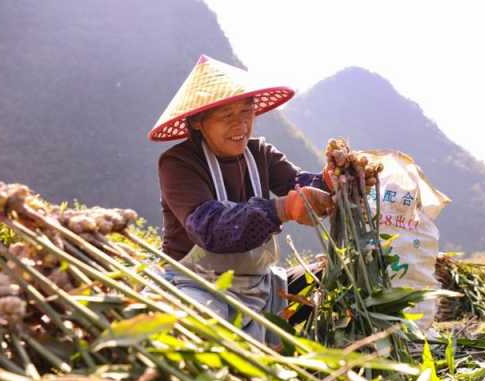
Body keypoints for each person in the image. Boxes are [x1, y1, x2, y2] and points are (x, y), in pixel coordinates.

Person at [146, 55, 368, 344]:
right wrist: (284, 208)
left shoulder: (260, 153)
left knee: (336, 277)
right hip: (198, 286)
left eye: (247, 111)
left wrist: (335, 179)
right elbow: (209, 227)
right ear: (199, 121)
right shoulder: (178, 163)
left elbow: (299, 183)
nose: (240, 125)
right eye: (227, 116)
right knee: (200, 326)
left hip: (259, 286)